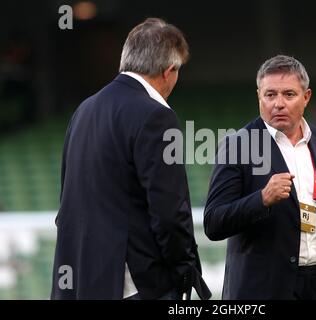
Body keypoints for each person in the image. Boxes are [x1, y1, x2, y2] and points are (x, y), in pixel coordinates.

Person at [51, 18, 210, 300]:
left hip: (82, 278)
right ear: (169, 71)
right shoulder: (156, 115)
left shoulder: (84, 110)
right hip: (132, 283)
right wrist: (185, 268)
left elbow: (66, 199)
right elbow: (168, 209)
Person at [204, 55, 316, 300]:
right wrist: (261, 199)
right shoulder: (238, 145)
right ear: (259, 97)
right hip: (264, 288)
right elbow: (213, 222)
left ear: (306, 97)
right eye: (270, 95)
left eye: (288, 94)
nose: (278, 104)